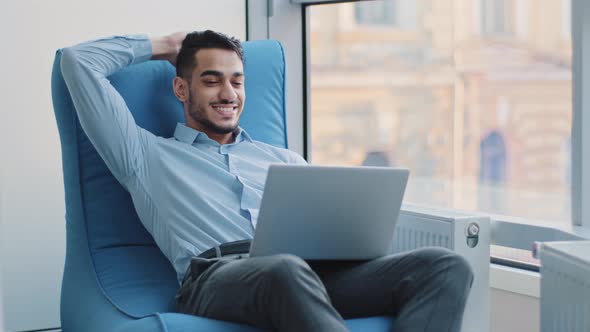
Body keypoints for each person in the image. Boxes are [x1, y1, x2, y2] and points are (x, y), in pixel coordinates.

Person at [60, 30, 474, 332]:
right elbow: (77, 62)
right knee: (284, 269)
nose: (228, 93)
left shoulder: (284, 159)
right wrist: (164, 46)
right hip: (218, 278)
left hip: (309, 274)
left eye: (237, 81)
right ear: (181, 88)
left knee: (445, 266)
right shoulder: (144, 154)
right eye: (212, 80)